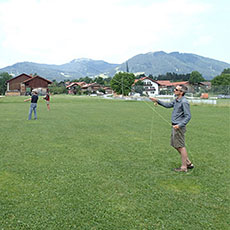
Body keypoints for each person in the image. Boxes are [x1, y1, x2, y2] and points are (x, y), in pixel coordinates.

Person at [150, 85, 194, 172]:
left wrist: (180, 125)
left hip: (178, 127)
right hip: (174, 126)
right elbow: (168, 105)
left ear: (181, 92)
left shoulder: (184, 102)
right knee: (175, 145)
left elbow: (188, 116)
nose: (174, 90)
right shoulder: (177, 100)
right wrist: (157, 101)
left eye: (176, 89)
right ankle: (188, 163)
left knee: (181, 146)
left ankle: (184, 167)